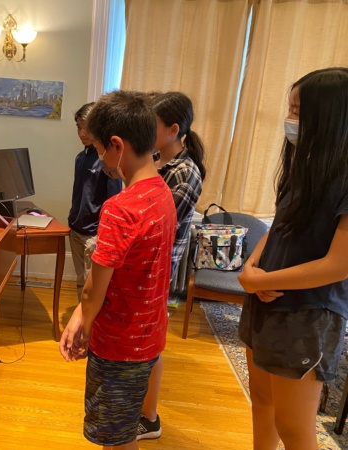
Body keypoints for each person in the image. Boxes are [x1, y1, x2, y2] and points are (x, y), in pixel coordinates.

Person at [237, 67, 348, 450]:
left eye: (299, 111)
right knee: (263, 405)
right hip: (267, 301)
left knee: (294, 427)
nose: (290, 119)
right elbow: (279, 227)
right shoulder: (306, 165)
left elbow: (338, 264)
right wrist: (252, 267)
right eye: (291, 108)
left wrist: (264, 281)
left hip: (309, 314)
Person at [59, 90, 177, 450]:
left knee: (116, 436)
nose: (98, 158)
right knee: (124, 425)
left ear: (116, 145)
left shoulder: (120, 208)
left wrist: (82, 324)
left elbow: (95, 287)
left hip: (118, 342)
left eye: (97, 149)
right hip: (150, 334)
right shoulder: (161, 192)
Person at [137, 91, 207, 440]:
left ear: (173, 129)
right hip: (147, 267)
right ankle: (143, 409)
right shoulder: (157, 161)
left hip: (161, 270)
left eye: (153, 125)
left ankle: (149, 417)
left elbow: (156, 221)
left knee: (151, 345)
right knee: (143, 343)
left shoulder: (185, 171)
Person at [68, 102, 123, 301]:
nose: (82, 133)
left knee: (94, 285)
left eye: (86, 127)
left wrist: (103, 233)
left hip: (95, 234)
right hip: (75, 229)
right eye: (78, 127)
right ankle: (81, 322)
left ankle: (90, 326)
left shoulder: (106, 161)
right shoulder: (79, 158)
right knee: (81, 280)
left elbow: (113, 200)